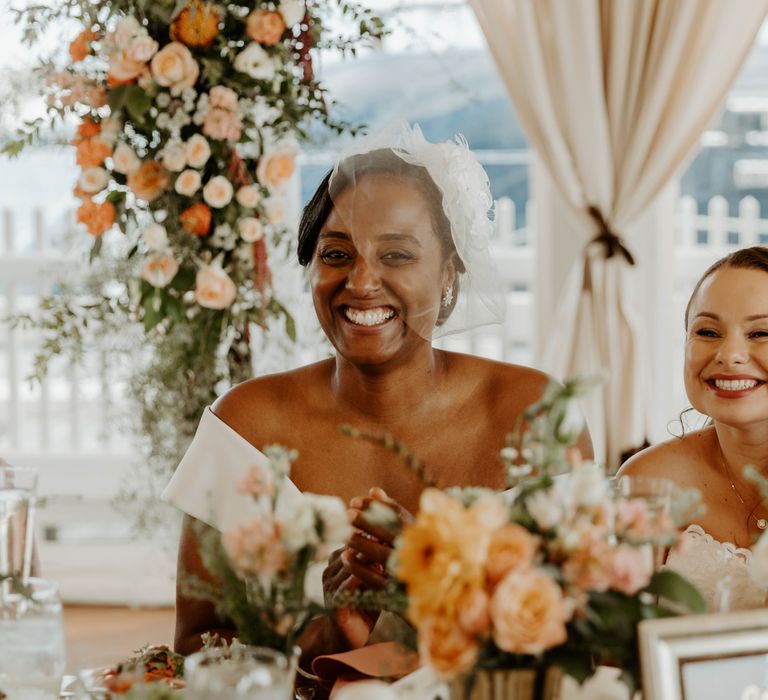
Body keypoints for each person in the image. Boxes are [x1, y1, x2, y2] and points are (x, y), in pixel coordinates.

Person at [162, 123, 590, 656]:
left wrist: (436, 585)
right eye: (337, 254)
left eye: (397, 255)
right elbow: (193, 644)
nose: (361, 282)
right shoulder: (246, 426)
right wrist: (323, 637)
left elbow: (584, 638)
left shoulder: (534, 414)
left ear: (450, 271)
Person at [620, 246, 768, 610]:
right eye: (707, 331)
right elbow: (612, 653)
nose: (729, 354)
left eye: (761, 333)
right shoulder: (647, 481)